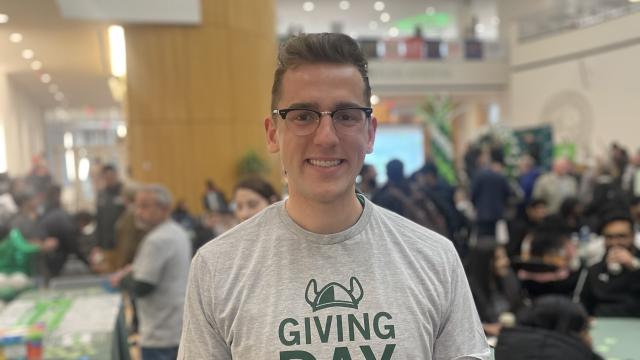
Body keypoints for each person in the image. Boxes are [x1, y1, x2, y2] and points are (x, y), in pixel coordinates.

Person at [179, 33, 489, 359]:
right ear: (273, 134)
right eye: (302, 116)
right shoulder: (217, 268)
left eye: (346, 115)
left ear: (369, 133)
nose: (326, 138)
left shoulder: (434, 258)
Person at [110, 184, 192, 359]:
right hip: (175, 324)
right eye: (137, 206)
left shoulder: (157, 240)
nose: (138, 212)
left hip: (160, 331)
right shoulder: (176, 232)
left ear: (164, 209)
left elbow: (143, 286)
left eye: (145, 206)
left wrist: (122, 279)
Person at [495, 295, 604, 360]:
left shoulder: (506, 343)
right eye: (583, 331)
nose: (589, 337)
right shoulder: (572, 354)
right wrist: (587, 351)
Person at [581, 210, 640, 317]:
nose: (615, 243)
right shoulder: (594, 269)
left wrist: (635, 268)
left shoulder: (637, 265)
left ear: (632, 236)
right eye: (609, 237)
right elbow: (583, 304)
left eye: (621, 236)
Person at [464, 244, 523, 337]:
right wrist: (485, 327)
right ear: (485, 262)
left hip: (508, 332)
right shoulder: (468, 288)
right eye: (499, 258)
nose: (506, 262)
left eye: (505, 256)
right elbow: (462, 323)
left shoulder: (507, 278)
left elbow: (519, 306)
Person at [93, 164, 125, 272]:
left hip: (122, 243)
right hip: (106, 244)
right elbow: (98, 221)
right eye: (106, 177)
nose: (109, 179)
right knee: (108, 272)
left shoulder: (124, 192)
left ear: (116, 175)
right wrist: (97, 244)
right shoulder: (101, 195)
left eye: (111, 176)